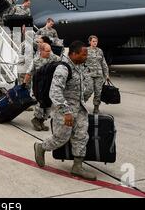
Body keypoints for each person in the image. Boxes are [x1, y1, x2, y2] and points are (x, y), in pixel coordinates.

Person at [34, 40, 96, 180]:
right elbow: (54, 91)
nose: (86, 57)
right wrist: (66, 111)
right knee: (61, 138)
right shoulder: (63, 68)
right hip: (64, 111)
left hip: (79, 109)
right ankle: (41, 147)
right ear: (73, 54)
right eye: (83, 54)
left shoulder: (79, 66)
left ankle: (77, 167)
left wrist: (83, 100)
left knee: (81, 136)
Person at [23, 43, 60, 131]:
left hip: (50, 86)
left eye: (50, 50)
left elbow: (63, 64)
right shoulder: (36, 61)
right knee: (40, 104)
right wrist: (24, 85)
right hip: (39, 87)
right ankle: (36, 120)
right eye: (47, 51)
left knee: (48, 106)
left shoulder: (54, 58)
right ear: (41, 51)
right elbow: (29, 73)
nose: (49, 53)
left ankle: (42, 121)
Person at [85, 35, 109, 114]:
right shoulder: (85, 50)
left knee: (98, 92)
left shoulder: (100, 51)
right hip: (89, 74)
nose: (95, 43)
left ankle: (96, 108)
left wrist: (106, 74)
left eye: (96, 41)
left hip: (99, 75)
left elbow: (103, 63)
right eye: (93, 41)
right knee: (89, 90)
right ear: (89, 42)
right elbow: (81, 62)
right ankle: (81, 105)